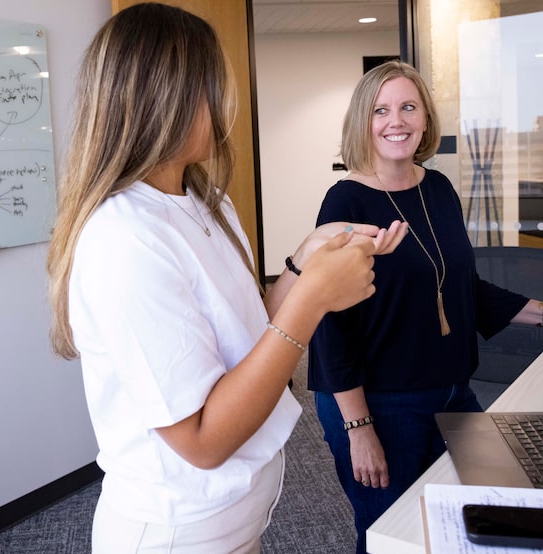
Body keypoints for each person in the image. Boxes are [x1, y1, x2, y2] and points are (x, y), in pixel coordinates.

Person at [45, 5, 407, 553]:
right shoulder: (125, 237)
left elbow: (243, 329)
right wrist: (310, 301)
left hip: (236, 520)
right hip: (178, 531)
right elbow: (202, 440)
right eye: (212, 88)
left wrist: (301, 265)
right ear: (164, 100)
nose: (226, 108)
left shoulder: (202, 201)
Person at [307, 61, 543, 554]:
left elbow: (462, 288)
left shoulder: (438, 188)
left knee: (468, 526)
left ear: (426, 118)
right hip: (382, 403)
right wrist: (358, 428)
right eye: (381, 110)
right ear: (363, 121)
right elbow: (329, 326)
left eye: (409, 107)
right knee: (394, 537)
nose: (396, 121)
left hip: (453, 391)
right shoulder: (346, 203)